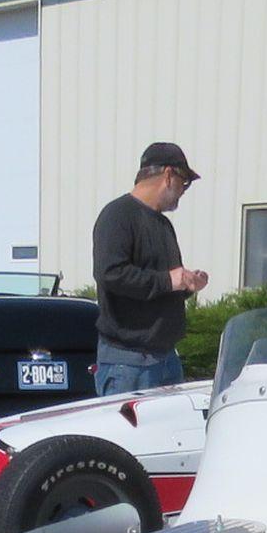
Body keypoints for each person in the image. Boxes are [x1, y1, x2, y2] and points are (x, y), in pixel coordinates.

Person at [92, 142, 207, 396]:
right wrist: (169, 281)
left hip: (166, 359)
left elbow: (157, 284)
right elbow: (111, 274)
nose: (183, 191)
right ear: (168, 175)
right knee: (126, 437)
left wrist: (186, 284)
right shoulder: (117, 216)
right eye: (184, 182)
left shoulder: (163, 225)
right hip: (129, 364)